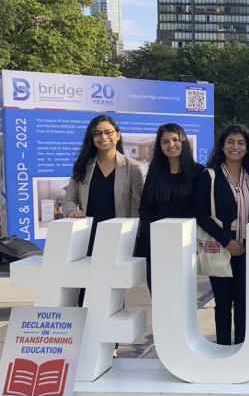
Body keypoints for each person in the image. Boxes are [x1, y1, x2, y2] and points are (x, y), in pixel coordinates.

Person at [195, 124, 249, 345]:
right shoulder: (210, 176)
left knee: (244, 303)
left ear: (248, 148)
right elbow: (201, 215)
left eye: (241, 143)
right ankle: (223, 348)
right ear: (222, 146)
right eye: (230, 142)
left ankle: (242, 347)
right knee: (222, 304)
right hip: (222, 248)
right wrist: (227, 241)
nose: (235, 147)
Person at [63, 114, 144, 255]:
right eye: (97, 133)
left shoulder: (133, 167)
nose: (103, 137)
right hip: (88, 235)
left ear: (117, 135)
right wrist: (71, 211)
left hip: (121, 237)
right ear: (92, 138)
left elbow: (136, 208)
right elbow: (69, 199)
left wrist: (134, 238)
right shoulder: (83, 166)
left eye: (108, 132)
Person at [137, 123, 205, 292]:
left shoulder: (198, 172)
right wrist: (150, 234)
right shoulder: (155, 171)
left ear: (184, 142)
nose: (171, 145)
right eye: (165, 141)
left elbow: (200, 210)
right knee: (159, 295)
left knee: (180, 295)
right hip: (156, 244)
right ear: (160, 146)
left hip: (184, 244)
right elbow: (145, 206)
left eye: (175, 139)